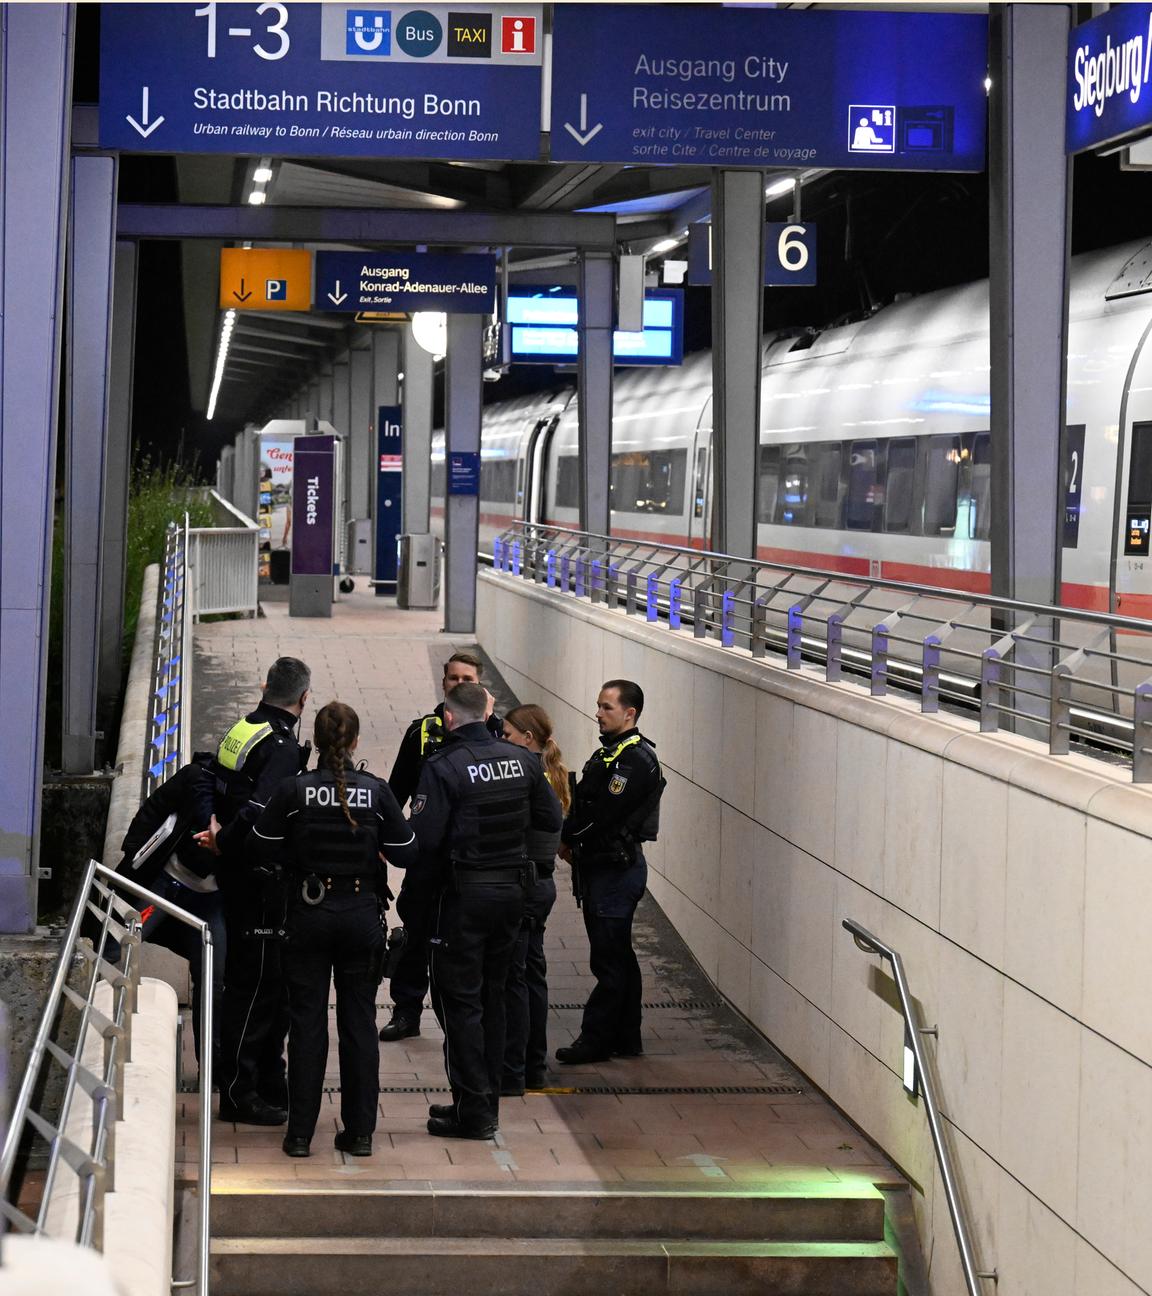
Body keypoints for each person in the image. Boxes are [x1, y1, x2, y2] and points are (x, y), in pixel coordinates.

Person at [250, 702, 418, 1158]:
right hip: (361, 916)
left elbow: (259, 845)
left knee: (307, 1023)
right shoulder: (376, 792)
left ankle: (300, 1135)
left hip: (308, 915)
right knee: (359, 1024)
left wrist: (296, 854)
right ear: (355, 741)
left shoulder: (294, 790)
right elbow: (406, 851)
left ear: (317, 742)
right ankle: (360, 1133)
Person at [410, 682, 562, 1139]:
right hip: (512, 896)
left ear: (449, 718)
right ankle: (485, 1101)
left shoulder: (443, 765)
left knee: (460, 1003)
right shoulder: (522, 760)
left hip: (463, 900)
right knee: (495, 997)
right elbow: (551, 819)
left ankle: (473, 1109)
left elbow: (424, 842)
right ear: (487, 714)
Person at [194, 656, 311, 1125]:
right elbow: (260, 809)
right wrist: (225, 840)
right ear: (304, 698)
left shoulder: (244, 726)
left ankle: (266, 1080)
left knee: (260, 982)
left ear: (265, 687)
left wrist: (219, 836)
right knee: (258, 986)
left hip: (236, 874)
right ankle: (240, 1092)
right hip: (259, 878)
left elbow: (218, 783)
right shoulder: (281, 746)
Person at [379, 650, 503, 1044]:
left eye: (468, 679)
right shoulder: (422, 732)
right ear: (443, 681)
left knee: (465, 942)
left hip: (473, 860)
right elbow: (396, 792)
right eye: (454, 678)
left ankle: (465, 1018)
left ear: (481, 686)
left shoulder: (497, 731)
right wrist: (386, 841)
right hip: (427, 857)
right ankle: (407, 1011)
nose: (460, 685)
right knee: (415, 934)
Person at [555, 680, 664, 1066]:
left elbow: (601, 816)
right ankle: (626, 1036)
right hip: (604, 868)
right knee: (619, 956)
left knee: (608, 959)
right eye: (599, 706)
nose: (598, 713)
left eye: (607, 707)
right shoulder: (611, 754)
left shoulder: (634, 760)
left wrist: (564, 836)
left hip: (616, 872)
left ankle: (596, 1039)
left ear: (629, 713)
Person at [500, 704, 569, 1095]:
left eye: (508, 735)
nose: (502, 741)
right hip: (540, 883)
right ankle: (533, 1063)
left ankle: (517, 1067)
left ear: (528, 738)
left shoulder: (530, 778)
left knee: (516, 977)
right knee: (532, 974)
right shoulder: (552, 774)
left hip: (526, 886)